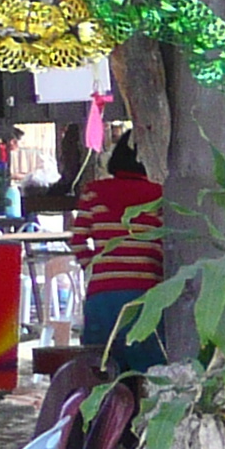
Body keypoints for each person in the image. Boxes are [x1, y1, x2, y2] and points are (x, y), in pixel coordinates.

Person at [73, 142, 166, 372]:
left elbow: (78, 241)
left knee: (102, 370)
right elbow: (166, 244)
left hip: (101, 295)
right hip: (146, 294)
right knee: (150, 370)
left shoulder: (93, 192)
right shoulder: (159, 195)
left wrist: (95, 268)